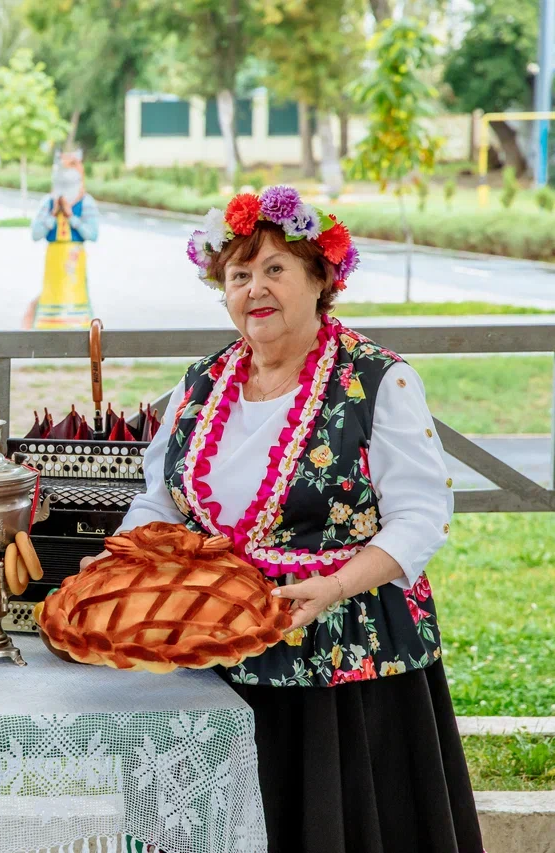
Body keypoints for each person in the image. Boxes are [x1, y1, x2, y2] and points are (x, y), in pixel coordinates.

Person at [98, 186, 483, 852]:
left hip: (342, 667)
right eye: (239, 274)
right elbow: (161, 498)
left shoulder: (376, 381)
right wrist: (125, 561)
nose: (255, 288)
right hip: (211, 655)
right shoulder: (202, 382)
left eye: (275, 268)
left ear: (320, 279)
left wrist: (333, 586)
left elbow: (421, 518)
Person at [24, 149, 100, 329]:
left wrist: (71, 216)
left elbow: (93, 234)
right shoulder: (48, 202)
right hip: (54, 258)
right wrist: (52, 215)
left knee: (76, 294)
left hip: (74, 257)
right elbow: (35, 234)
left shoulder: (86, 203)